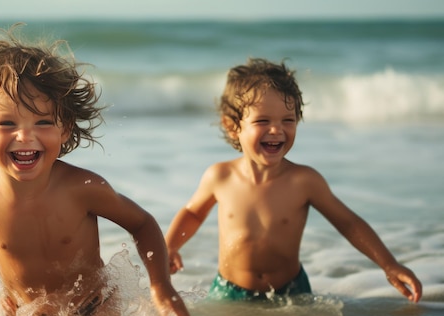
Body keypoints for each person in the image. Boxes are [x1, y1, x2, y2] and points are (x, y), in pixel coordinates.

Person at [0, 25, 189, 316]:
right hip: (19, 313)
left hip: (92, 307)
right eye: (7, 123)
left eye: (43, 122)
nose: (25, 136)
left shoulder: (83, 188)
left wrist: (161, 286)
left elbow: (141, 222)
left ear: (65, 129)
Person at [165, 58, 422, 303]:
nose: (276, 129)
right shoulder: (220, 176)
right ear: (233, 126)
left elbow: (349, 223)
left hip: (291, 292)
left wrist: (388, 264)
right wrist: (171, 246)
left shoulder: (304, 181)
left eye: (287, 120)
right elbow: (193, 213)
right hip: (230, 291)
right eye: (263, 120)